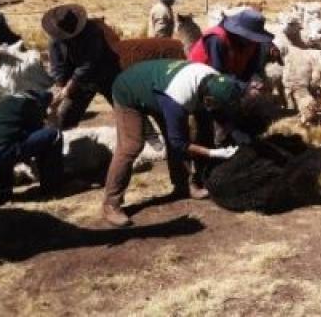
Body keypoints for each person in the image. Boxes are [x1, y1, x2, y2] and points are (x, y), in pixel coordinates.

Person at [102, 59, 248, 227]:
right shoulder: (178, 99)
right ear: (207, 100)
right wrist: (213, 153)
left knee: (179, 131)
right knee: (131, 146)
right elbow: (179, 143)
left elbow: (222, 113)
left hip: (158, 88)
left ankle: (183, 185)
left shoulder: (220, 82)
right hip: (129, 89)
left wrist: (244, 143)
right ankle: (110, 204)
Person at [0, 90, 63, 209]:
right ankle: (52, 187)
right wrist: (53, 110)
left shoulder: (5, 101)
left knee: (1, 195)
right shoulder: (31, 104)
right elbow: (46, 134)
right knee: (54, 135)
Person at [42, 4, 122, 130]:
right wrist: (60, 88)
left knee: (125, 109)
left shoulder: (93, 31)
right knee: (64, 119)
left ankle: (147, 134)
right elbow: (58, 67)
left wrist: (69, 87)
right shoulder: (56, 39)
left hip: (105, 73)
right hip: (79, 83)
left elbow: (89, 63)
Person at [188, 8, 275, 82]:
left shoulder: (253, 43)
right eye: (250, 36)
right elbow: (219, 76)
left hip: (231, 80)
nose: (253, 40)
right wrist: (242, 88)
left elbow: (251, 69)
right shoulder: (217, 39)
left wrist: (251, 83)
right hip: (202, 81)